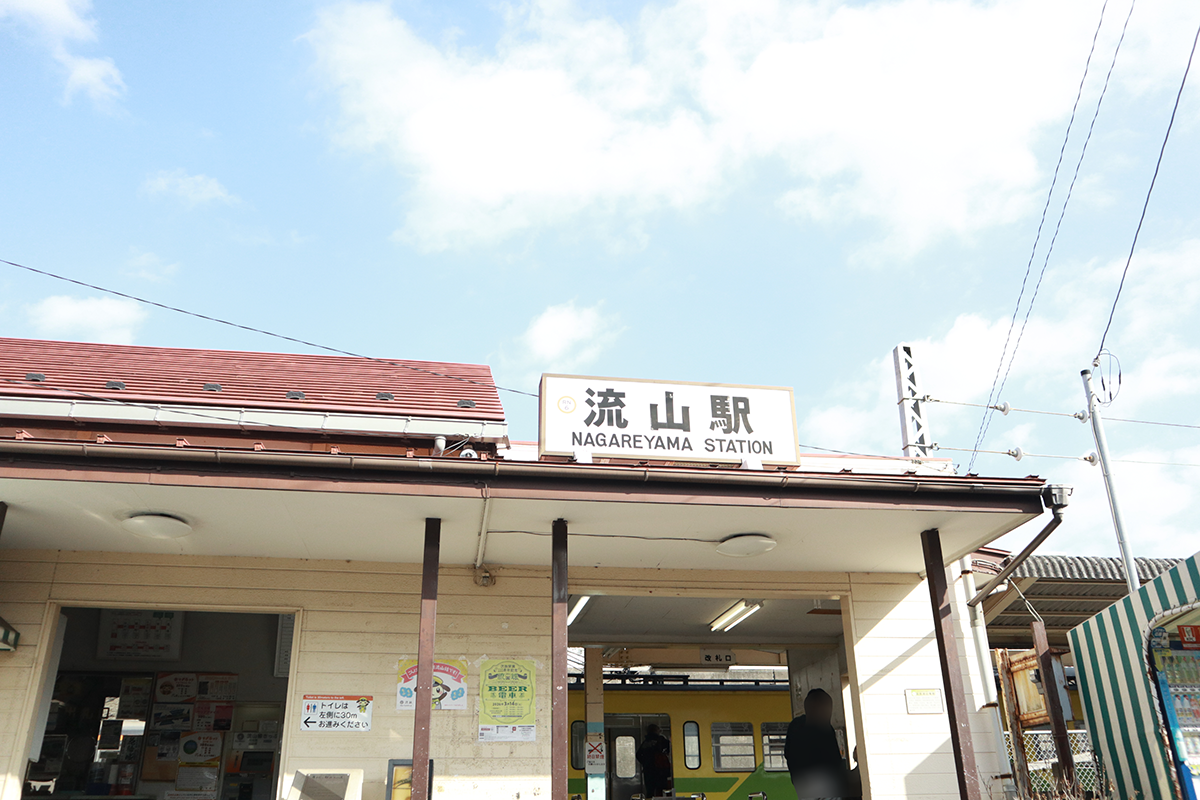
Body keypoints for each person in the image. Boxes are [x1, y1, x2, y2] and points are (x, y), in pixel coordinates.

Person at [785, 688, 847, 798]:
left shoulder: (795, 726)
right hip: (824, 784)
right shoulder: (824, 729)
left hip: (801, 784)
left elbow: (787, 754)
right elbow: (835, 762)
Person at [635, 723, 672, 798]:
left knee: (650, 790)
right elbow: (670, 748)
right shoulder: (661, 740)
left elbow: (638, 755)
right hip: (660, 770)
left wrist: (645, 763)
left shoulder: (645, 742)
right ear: (657, 730)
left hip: (648, 770)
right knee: (662, 790)